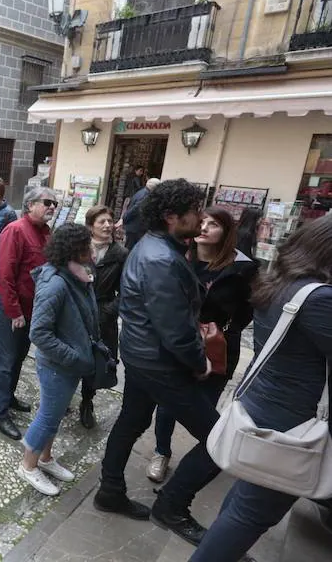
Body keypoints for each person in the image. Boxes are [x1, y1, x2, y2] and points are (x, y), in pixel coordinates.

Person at [190, 214, 332, 562]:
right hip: (294, 426)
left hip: (265, 408)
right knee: (253, 512)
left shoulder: (284, 282)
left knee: (246, 499)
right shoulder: (320, 299)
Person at [94, 179, 218, 547]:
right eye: (195, 211)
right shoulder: (159, 258)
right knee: (220, 440)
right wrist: (199, 363)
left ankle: (110, 491)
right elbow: (175, 330)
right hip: (159, 363)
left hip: (143, 356)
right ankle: (173, 506)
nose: (201, 216)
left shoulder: (160, 246)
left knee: (131, 421)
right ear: (170, 217)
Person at [148, 207, 259, 482]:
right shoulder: (178, 257)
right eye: (203, 222)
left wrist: (225, 331)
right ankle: (161, 452)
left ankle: (201, 458)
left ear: (227, 231)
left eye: (214, 224)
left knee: (205, 406)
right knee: (168, 405)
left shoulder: (242, 268)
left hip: (217, 344)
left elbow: (249, 309)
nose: (205, 227)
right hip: (178, 341)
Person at [17, 223, 97, 495]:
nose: (92, 248)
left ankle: (46, 458)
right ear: (75, 249)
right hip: (57, 365)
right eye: (88, 243)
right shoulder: (55, 283)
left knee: (56, 414)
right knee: (49, 416)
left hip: (71, 363)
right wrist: (73, 357)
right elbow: (38, 332)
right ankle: (28, 466)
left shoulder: (77, 275)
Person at [0, 187, 56, 440]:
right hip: (11, 308)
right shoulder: (15, 230)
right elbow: (4, 276)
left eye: (54, 203)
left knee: (18, 358)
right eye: (47, 202)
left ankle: (9, 396)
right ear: (30, 205)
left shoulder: (47, 232)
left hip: (33, 308)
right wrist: (14, 311)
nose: (52, 207)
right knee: (5, 362)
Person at [79, 206, 127, 429]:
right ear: (91, 226)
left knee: (96, 362)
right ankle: (64, 397)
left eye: (110, 221)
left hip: (103, 315)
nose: (108, 225)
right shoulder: (78, 247)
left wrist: (106, 312)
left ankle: (87, 401)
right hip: (77, 312)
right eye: (102, 222)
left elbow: (126, 292)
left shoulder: (120, 254)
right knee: (72, 356)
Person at [121, 177, 160, 250]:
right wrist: (124, 218)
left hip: (133, 227)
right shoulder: (146, 195)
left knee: (130, 248)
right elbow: (135, 209)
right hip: (135, 228)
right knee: (130, 250)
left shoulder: (142, 191)